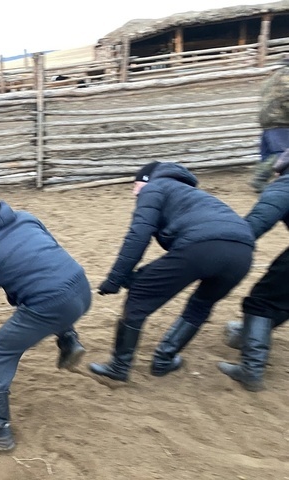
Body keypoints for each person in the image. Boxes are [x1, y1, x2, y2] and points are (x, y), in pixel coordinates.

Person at [0, 194, 91, 451]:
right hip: (80, 286)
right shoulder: (26, 218)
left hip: (50, 304)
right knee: (43, 298)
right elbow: (49, 251)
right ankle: (68, 338)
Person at [89, 161, 255, 383]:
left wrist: (115, 279)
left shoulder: (155, 188)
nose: (134, 191)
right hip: (243, 252)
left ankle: (119, 366)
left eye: (135, 184)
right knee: (201, 304)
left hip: (202, 246)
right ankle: (164, 360)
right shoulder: (192, 196)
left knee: (139, 296)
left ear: (145, 180)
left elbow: (139, 235)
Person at [218, 148, 289, 391]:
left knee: (262, 302)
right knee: (281, 293)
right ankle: (249, 333)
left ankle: (251, 370)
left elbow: (258, 222)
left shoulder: (283, 187)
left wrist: (230, 246)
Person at [252, 56, 289, 193]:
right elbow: (287, 98)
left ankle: (260, 179)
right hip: (281, 120)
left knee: (268, 154)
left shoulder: (272, 77)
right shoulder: (286, 76)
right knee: (282, 153)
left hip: (267, 120)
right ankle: (261, 180)